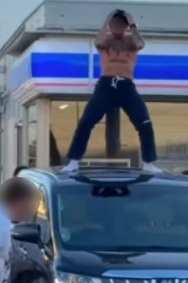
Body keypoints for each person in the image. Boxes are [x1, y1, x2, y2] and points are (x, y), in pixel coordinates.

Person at [61, 9, 160, 173]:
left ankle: (149, 163)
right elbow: (97, 42)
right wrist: (107, 19)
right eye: (114, 24)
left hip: (126, 84)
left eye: (121, 24)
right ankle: (74, 161)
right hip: (106, 84)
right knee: (86, 122)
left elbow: (140, 44)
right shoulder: (106, 41)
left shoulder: (131, 42)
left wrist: (132, 24)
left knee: (144, 123)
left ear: (126, 26)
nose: (117, 27)